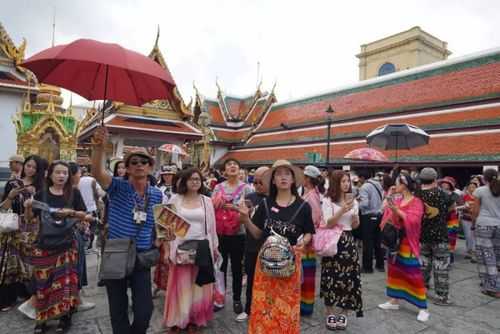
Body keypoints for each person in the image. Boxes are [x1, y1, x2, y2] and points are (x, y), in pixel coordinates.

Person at [91, 127, 163, 334]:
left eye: (143, 162)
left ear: (150, 167)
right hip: (117, 253)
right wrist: (99, 147)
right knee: (118, 306)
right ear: (127, 168)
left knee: (144, 311)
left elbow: (161, 223)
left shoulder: (157, 195)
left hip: (142, 254)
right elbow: (97, 172)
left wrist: (162, 238)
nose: (139, 165)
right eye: (134, 163)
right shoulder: (118, 187)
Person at [239, 160, 315, 334]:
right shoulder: (265, 204)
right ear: (273, 180)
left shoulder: (303, 206)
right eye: (279, 174)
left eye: (287, 174)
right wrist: (246, 220)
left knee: (286, 308)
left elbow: (310, 231)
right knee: (263, 307)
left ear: (293, 180)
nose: (283, 177)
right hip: (265, 265)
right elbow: (257, 234)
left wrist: (304, 241)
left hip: (290, 265)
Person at [25, 161, 90, 334]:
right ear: (50, 175)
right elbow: (31, 218)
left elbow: (84, 214)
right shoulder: (41, 194)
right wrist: (28, 207)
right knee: (43, 283)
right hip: (45, 245)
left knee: (65, 283)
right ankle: (42, 319)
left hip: (67, 244)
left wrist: (70, 213)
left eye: (65, 173)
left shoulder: (73, 193)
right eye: (58, 172)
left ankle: (64, 317)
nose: (61, 176)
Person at [163, 168, 219, 333]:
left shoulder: (206, 201)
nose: (195, 182)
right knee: (180, 285)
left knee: (198, 285)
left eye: (198, 179)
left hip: (202, 247)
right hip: (180, 247)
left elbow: (212, 228)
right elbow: (165, 227)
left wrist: (214, 249)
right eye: (191, 179)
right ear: (184, 181)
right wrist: (166, 250)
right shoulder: (175, 199)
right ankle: (177, 319)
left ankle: (194, 318)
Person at [378, 172, 429, 322]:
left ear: (404, 185)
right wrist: (390, 199)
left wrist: (397, 211)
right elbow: (386, 215)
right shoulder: (397, 198)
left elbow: (414, 221)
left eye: (397, 183)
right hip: (394, 242)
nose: (395, 186)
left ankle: (423, 307)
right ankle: (394, 300)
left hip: (407, 242)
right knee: (394, 271)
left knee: (412, 273)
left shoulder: (416, 202)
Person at [0, 155, 45, 312]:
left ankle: (28, 293)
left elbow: (43, 210)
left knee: (29, 262)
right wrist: (11, 196)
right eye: (28, 165)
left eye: (34, 167)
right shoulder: (13, 184)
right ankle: (8, 298)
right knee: (10, 262)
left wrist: (34, 197)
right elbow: (4, 207)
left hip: (33, 228)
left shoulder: (41, 186)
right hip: (14, 227)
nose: (30, 169)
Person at [320, 170, 362, 330]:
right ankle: (330, 311)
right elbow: (328, 223)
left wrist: (356, 219)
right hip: (332, 241)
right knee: (330, 276)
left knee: (350, 278)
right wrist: (341, 210)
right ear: (336, 183)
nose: (346, 184)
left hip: (349, 241)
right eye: (343, 181)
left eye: (348, 181)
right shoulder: (327, 200)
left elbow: (354, 226)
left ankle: (345, 312)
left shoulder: (354, 201)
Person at [211, 158, 252, 316]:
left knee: (236, 268)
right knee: (220, 267)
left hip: (238, 233)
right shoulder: (218, 188)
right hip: (220, 233)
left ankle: (236, 299)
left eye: (235, 164)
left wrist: (235, 207)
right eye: (229, 165)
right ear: (224, 171)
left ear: (239, 169)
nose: (233, 166)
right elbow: (211, 207)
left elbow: (250, 210)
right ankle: (219, 298)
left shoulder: (246, 189)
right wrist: (218, 203)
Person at [415, 167, 454, 305]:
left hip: (422, 234)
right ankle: (442, 296)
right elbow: (452, 207)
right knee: (441, 266)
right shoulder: (443, 194)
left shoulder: (417, 194)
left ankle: (421, 290)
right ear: (435, 179)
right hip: (440, 235)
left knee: (423, 264)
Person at [237, 166, 269, 322]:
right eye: (254, 181)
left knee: (269, 280)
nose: (256, 185)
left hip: (270, 246)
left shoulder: (275, 199)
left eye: (260, 181)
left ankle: (266, 309)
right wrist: (242, 214)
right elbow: (241, 219)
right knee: (251, 278)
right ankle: (249, 309)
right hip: (251, 244)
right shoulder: (249, 197)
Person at [300, 165, 324, 316]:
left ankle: (306, 305)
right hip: (307, 239)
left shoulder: (311, 196)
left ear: (307, 179)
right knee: (306, 272)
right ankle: (305, 303)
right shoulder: (312, 194)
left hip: (307, 241)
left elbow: (314, 219)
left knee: (306, 274)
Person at [472, 169, 500, 298]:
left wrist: (473, 224)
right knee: (496, 256)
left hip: (483, 225)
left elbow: (475, 210)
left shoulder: (480, 190)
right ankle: (492, 283)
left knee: (486, 257)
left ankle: (491, 286)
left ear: (484, 178)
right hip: (498, 226)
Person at [357, 169, 385, 273]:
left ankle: (367, 267)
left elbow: (364, 204)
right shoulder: (378, 184)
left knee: (367, 243)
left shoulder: (364, 187)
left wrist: (356, 204)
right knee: (378, 242)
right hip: (379, 215)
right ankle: (380, 265)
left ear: (362, 178)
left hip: (368, 216)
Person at [457, 181, 478, 262]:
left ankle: (474, 253)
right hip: (466, 219)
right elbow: (459, 206)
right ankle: (469, 251)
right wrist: (464, 206)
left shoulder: (479, 196)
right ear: (468, 187)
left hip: (476, 219)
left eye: (474, 186)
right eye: (470, 186)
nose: (472, 188)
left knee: (475, 237)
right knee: (468, 236)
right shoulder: (463, 196)